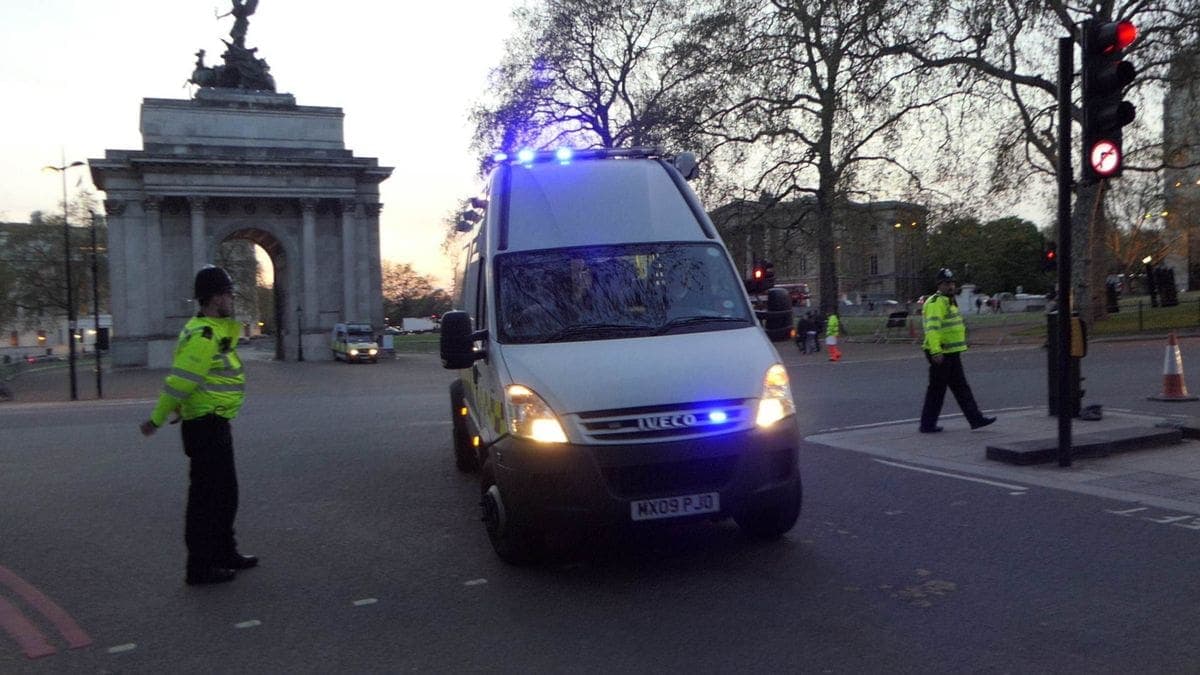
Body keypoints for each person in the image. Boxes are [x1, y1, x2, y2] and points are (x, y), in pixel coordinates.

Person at [140, 266, 257, 585]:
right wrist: (156, 418)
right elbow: (181, 380)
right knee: (207, 500)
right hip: (206, 425)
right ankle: (200, 566)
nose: (232, 299)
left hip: (214, 421)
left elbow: (195, 379)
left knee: (224, 495)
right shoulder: (204, 334)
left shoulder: (212, 330)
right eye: (228, 294)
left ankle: (223, 552)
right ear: (215, 297)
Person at [919, 268, 996, 433]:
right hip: (941, 352)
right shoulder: (936, 303)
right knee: (938, 390)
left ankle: (975, 419)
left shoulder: (949, 301)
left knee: (960, 387)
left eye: (952, 283)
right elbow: (932, 329)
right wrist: (935, 351)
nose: (951, 286)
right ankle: (927, 424)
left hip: (951, 352)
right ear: (939, 285)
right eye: (947, 283)